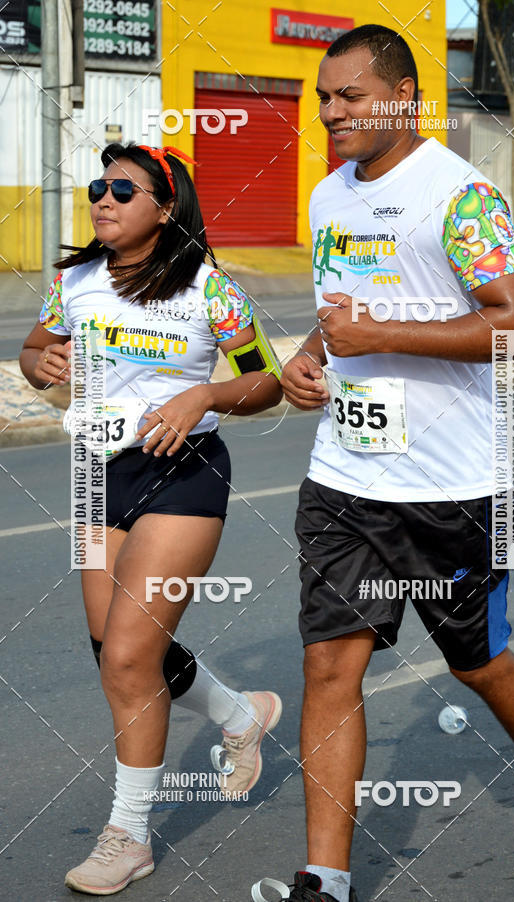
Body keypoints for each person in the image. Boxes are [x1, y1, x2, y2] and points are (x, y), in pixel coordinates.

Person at [252, 24, 514, 902]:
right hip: (346, 478)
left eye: (350, 97)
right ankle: (323, 879)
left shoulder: (460, 195)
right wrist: (312, 360)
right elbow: (346, 320)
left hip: (453, 486)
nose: (330, 113)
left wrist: (379, 335)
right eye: (324, 98)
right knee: (329, 667)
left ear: (403, 96)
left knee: (478, 665)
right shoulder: (330, 197)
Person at [20, 142, 283, 895]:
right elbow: (36, 349)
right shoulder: (73, 280)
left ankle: (128, 835)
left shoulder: (209, 288)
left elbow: (265, 381)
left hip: (182, 476)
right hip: (95, 472)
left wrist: (202, 396)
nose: (102, 198)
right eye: (98, 185)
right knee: (110, 648)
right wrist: (37, 364)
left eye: (122, 189)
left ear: (164, 209)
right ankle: (240, 714)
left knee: (132, 659)